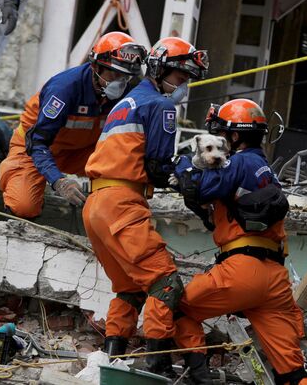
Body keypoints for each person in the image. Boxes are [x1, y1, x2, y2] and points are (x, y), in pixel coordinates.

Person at [82, 37, 209, 377]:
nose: (183, 87)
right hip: (123, 202)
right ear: (161, 70)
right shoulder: (163, 107)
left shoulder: (125, 102)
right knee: (164, 283)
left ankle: (111, 359)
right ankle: (158, 364)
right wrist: (188, 172)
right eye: (181, 79)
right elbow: (157, 167)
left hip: (96, 205)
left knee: (129, 288)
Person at [171, 99, 307, 385]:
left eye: (220, 134)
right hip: (274, 279)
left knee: (177, 310)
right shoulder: (265, 170)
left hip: (241, 269)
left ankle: (200, 378)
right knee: (292, 372)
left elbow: (200, 187)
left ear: (234, 136)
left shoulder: (238, 162)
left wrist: (183, 165)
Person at [0, 32, 147, 219]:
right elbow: (37, 143)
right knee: (23, 206)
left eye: (125, 77)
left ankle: (113, 217)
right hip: (34, 148)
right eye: (115, 74)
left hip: (81, 153)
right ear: (95, 66)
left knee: (126, 170)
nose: (120, 83)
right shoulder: (64, 89)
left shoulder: (125, 94)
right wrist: (58, 181)